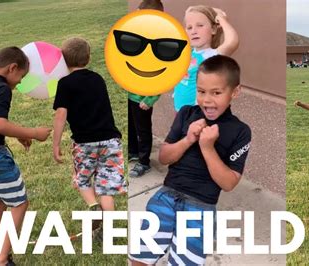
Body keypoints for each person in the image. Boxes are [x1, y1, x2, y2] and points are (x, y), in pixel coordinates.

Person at [129, 55, 251, 265]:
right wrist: (188, 139)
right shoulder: (186, 114)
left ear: (235, 92)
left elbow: (229, 182)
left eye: (216, 93)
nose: (207, 100)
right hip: (166, 196)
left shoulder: (240, 131)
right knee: (139, 259)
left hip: (200, 207)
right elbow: (164, 157)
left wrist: (207, 147)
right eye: (201, 91)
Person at [0, 47, 51, 266]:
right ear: (12, 68)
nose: (20, 82)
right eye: (21, 76)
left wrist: (19, 136)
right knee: (20, 204)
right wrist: (34, 133)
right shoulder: (3, 88)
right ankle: (2, 261)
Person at [52, 38, 126, 228]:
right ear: (88, 57)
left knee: (82, 179)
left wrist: (56, 144)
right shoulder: (97, 79)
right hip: (110, 140)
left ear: (64, 60)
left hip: (84, 143)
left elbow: (61, 114)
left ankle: (94, 207)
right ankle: (107, 230)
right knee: (106, 187)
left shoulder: (65, 84)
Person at [173, 5, 239, 112]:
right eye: (189, 27)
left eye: (200, 25)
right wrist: (189, 12)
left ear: (213, 29)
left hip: (196, 112)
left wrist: (222, 19)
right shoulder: (188, 52)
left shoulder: (212, 56)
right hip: (179, 110)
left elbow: (232, 41)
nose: (194, 31)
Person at [128, 0, 163, 177]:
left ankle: (144, 162)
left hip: (143, 99)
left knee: (143, 129)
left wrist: (149, 99)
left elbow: (162, 76)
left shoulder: (158, 42)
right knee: (132, 127)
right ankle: (133, 152)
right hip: (130, 94)